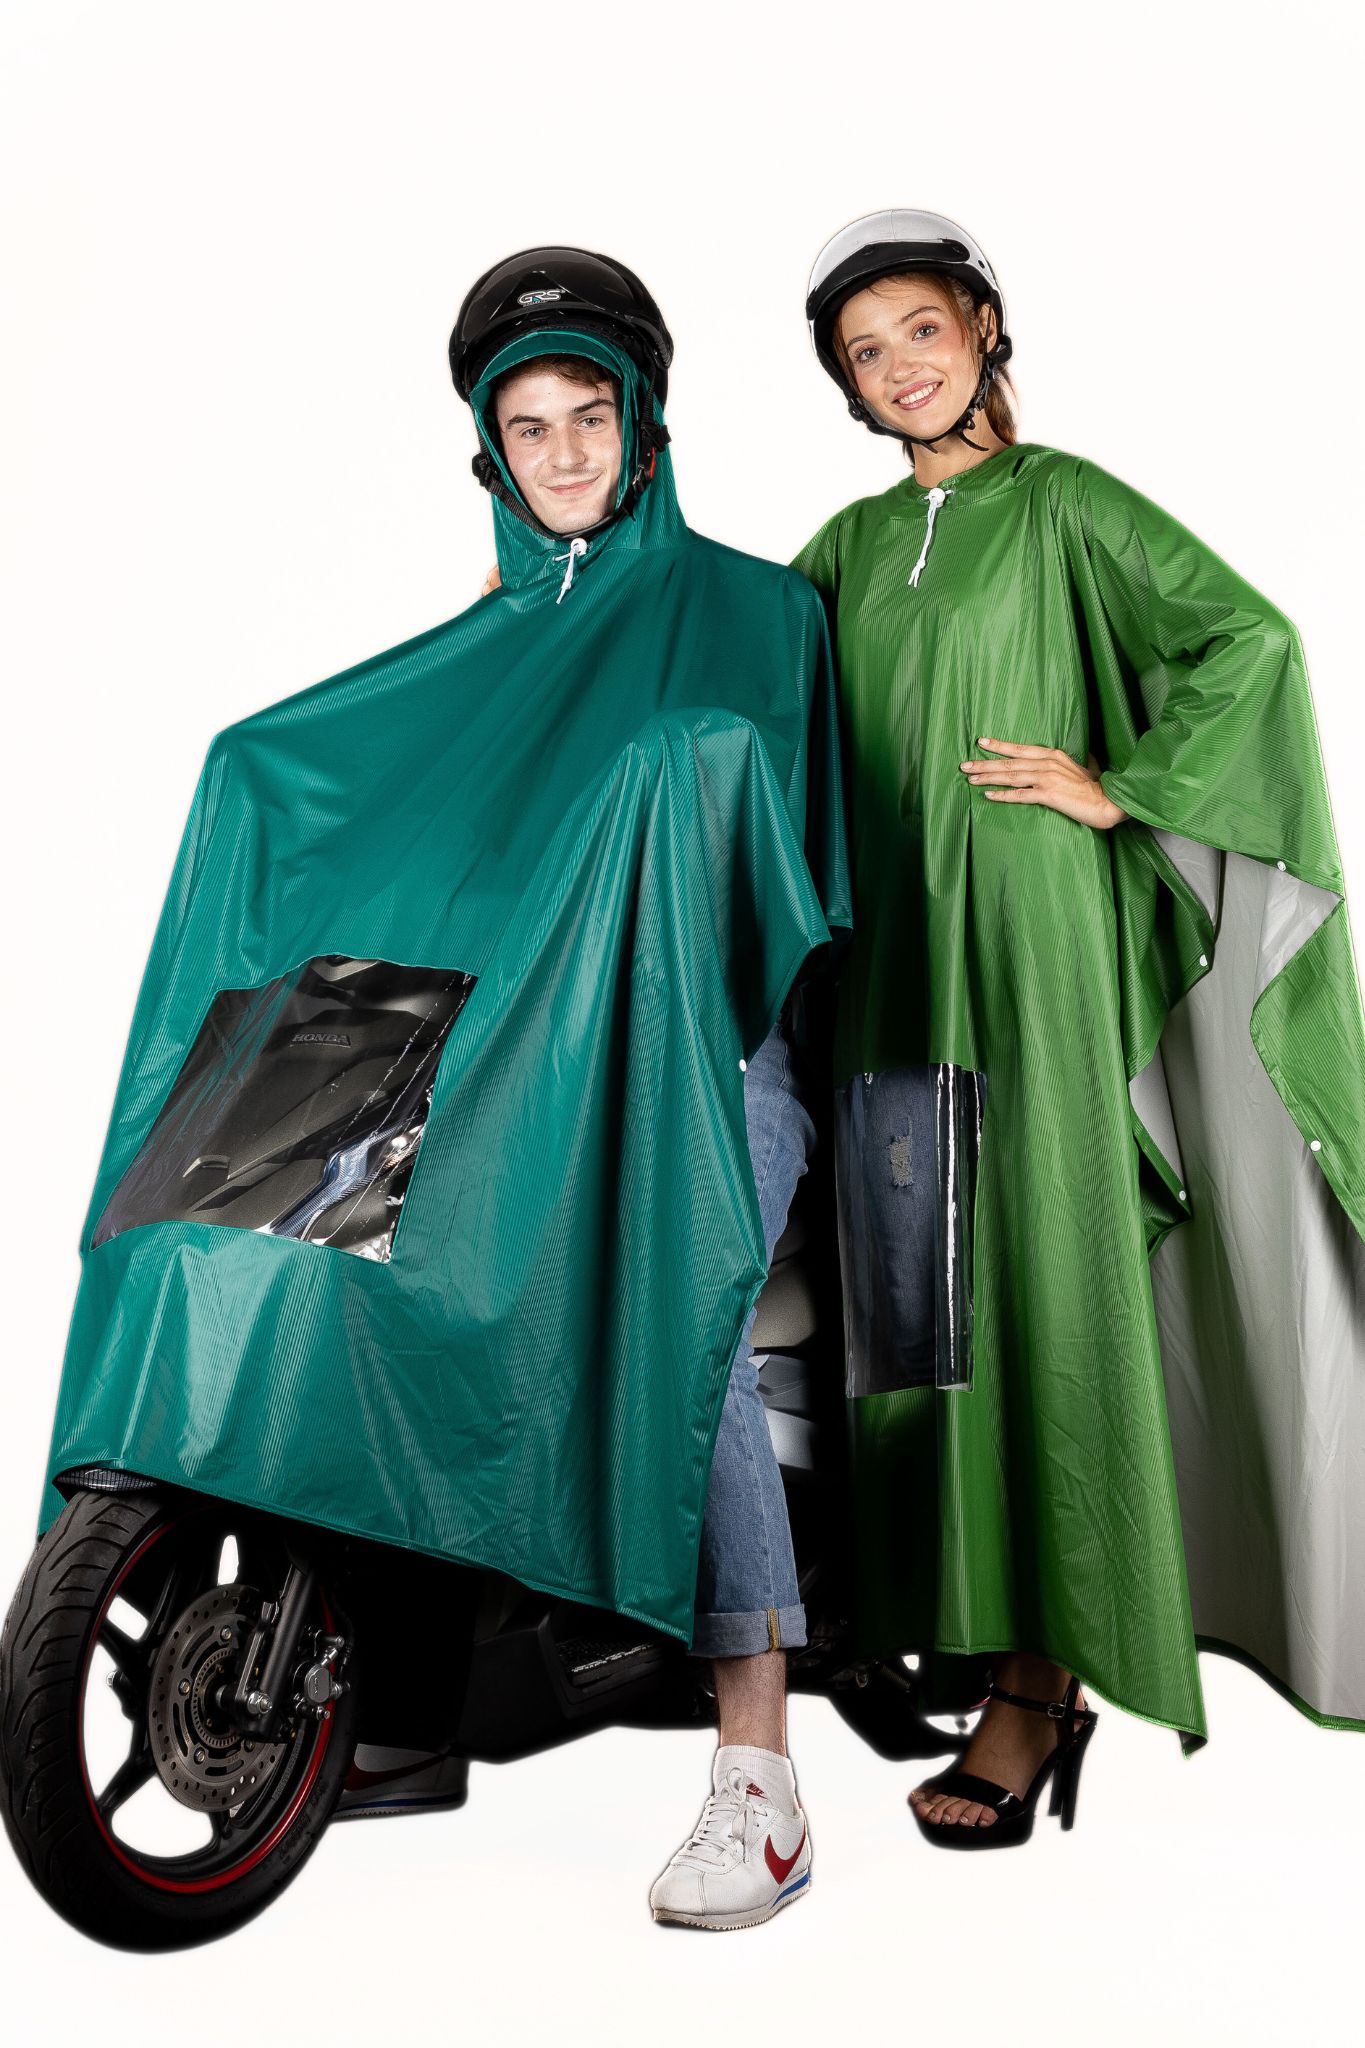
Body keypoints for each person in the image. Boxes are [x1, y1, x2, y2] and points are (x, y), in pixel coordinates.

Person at [793, 208, 1365, 1846]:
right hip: (890, 962)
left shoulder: (1062, 506)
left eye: (918, 328)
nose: (898, 367)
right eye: (863, 352)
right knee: (910, 1298)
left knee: (1040, 1276)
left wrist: (1123, 790)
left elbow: (1249, 640)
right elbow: (749, 699)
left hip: (1034, 948)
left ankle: (1040, 1687)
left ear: (980, 326)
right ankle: (938, 1620)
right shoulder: (838, 548)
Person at [451, 248, 831, 1925]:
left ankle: (759, 1771)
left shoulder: (755, 613)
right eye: (526, 427)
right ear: (491, 450)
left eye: (587, 417)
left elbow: (780, 860)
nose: (560, 453)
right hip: (535, 1056)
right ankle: (391, 1660)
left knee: (682, 1283)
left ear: (644, 427)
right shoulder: (479, 652)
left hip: (723, 1042)